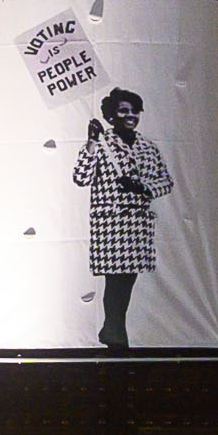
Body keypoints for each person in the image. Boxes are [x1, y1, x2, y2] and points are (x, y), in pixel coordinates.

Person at [71, 87, 173, 350]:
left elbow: (166, 181)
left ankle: (113, 327)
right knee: (116, 278)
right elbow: (81, 178)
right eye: (123, 111)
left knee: (126, 279)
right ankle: (115, 331)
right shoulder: (103, 146)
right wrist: (91, 143)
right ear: (111, 115)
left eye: (134, 111)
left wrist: (141, 187)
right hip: (112, 224)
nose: (130, 116)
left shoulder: (148, 147)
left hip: (138, 226)